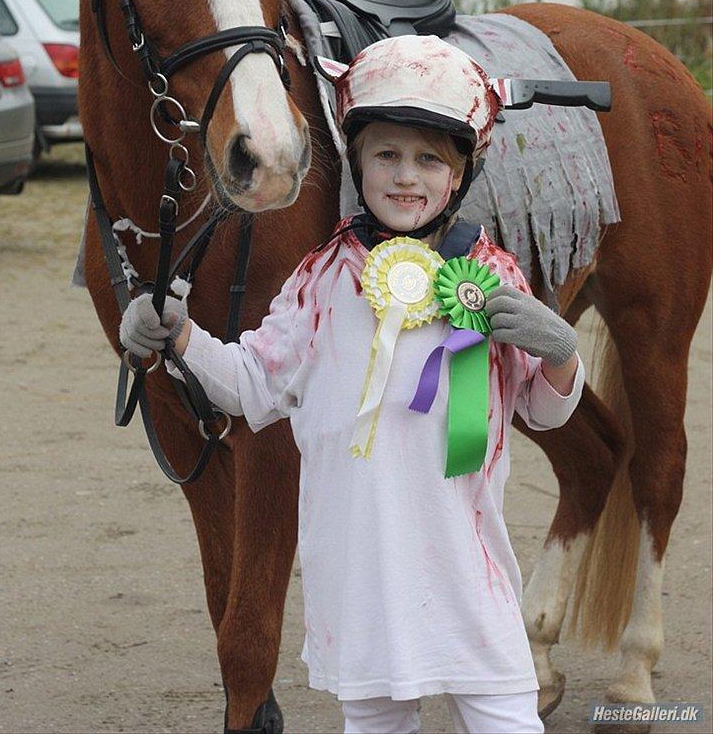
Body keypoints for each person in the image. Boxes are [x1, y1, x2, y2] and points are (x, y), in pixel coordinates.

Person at [120, 36, 584, 734]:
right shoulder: (320, 281)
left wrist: (561, 355)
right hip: (362, 580)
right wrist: (179, 336)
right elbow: (250, 386)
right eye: (386, 155)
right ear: (357, 164)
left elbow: (543, 412)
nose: (405, 176)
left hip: (469, 577)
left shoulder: (491, 279)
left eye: (429, 159)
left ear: (460, 174)